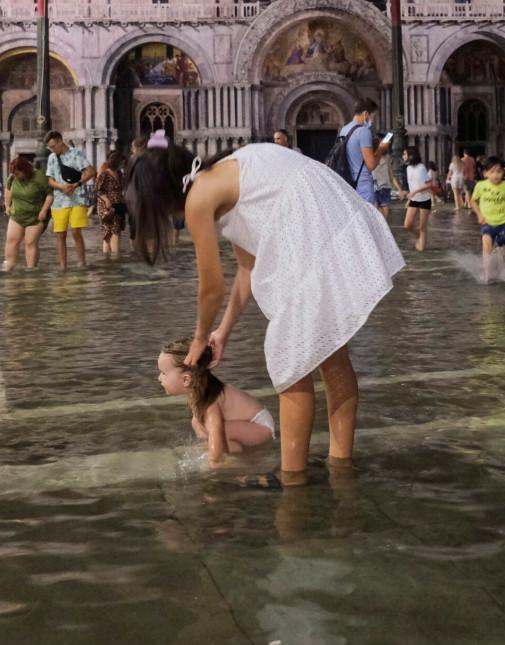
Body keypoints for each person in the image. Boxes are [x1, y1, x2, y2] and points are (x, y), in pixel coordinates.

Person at [131, 138, 403, 487]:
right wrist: (222, 333)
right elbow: (247, 269)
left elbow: (211, 288)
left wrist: (200, 338)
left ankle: (291, 475)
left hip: (307, 226)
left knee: (290, 364)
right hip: (326, 214)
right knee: (331, 358)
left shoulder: (199, 197)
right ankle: (340, 462)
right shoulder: (226, 171)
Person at [157, 337, 274, 461]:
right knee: (197, 422)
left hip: (261, 426)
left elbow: (216, 432)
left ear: (186, 379)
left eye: (163, 373)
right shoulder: (199, 391)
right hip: (247, 425)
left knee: (220, 433)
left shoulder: (210, 401)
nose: (159, 378)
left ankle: (233, 462)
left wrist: (213, 463)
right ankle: (225, 450)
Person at [44, 131, 96, 269]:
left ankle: (82, 263)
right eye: (50, 147)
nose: (52, 149)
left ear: (61, 141)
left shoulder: (76, 153)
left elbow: (91, 171)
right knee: (60, 234)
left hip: (77, 198)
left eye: (53, 146)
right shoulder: (51, 158)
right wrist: (60, 186)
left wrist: (76, 184)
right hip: (59, 201)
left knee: (76, 231)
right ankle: (63, 267)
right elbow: (49, 180)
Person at [3, 156, 53, 271]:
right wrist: (7, 206)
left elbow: (50, 195)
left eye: (18, 173)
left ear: (25, 170)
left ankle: (31, 270)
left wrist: (44, 210)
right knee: (11, 240)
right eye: (14, 174)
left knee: (30, 242)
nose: (16, 176)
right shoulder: (12, 178)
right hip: (17, 215)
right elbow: (8, 190)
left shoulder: (40, 177)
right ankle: (8, 268)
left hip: (36, 216)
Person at [337, 99, 389, 209]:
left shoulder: (344, 130)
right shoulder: (363, 131)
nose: (372, 121)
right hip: (362, 185)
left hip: (348, 184)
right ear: (366, 114)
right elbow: (371, 165)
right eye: (373, 117)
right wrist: (380, 149)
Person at [471, 156, 505, 281]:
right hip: (487, 222)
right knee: (486, 247)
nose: (496, 175)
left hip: (503, 223)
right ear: (485, 173)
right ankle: (487, 275)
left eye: (499, 171)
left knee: (503, 251)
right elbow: (473, 201)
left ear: (503, 172)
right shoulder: (480, 186)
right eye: (492, 172)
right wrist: (479, 215)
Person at [402, 146, 438, 251]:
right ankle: (419, 235)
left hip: (425, 199)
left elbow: (429, 184)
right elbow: (412, 185)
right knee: (407, 225)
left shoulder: (421, 167)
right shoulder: (408, 168)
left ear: (411, 156)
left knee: (422, 226)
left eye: (405, 154)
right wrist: (410, 198)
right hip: (414, 199)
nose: (403, 156)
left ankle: (422, 240)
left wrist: (415, 192)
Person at [92, 150, 127, 256]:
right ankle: (116, 256)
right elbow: (97, 189)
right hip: (107, 206)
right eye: (121, 162)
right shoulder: (105, 174)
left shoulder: (119, 173)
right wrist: (106, 200)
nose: (123, 164)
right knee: (113, 230)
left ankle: (107, 257)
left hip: (119, 205)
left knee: (111, 231)